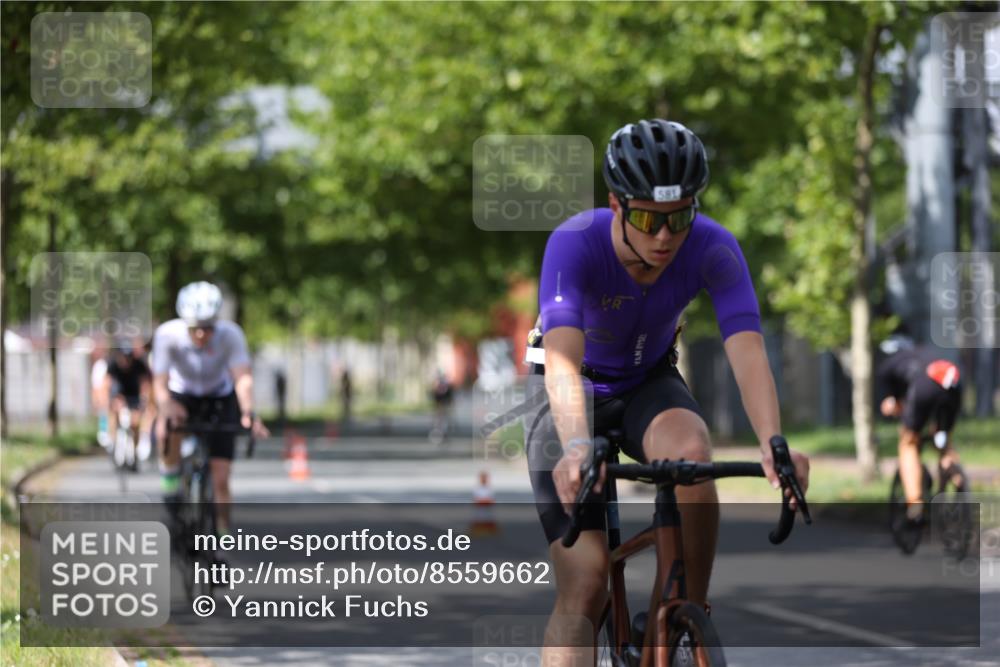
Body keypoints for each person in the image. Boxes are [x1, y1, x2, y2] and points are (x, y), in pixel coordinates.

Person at [525, 119, 810, 662]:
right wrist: (580, 448)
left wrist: (774, 443)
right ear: (615, 203)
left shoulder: (713, 247)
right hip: (567, 390)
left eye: (679, 217)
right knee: (584, 583)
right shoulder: (575, 244)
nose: (664, 237)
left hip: (646, 381)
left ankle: (677, 621)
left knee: (694, 456)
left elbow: (746, 348)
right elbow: (563, 360)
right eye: (647, 219)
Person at [152, 281, 269, 536]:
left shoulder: (231, 334)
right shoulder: (167, 335)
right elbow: (159, 384)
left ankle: (222, 535)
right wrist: (165, 408)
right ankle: (171, 483)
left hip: (219, 396)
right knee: (168, 428)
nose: (202, 335)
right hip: (181, 394)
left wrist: (248, 411)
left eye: (208, 328)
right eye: (195, 329)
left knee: (221, 478)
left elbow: (242, 378)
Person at [877, 336, 964, 523]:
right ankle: (956, 476)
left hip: (925, 387)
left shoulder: (888, 366)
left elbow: (889, 404)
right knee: (942, 438)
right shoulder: (923, 353)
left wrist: (894, 408)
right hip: (953, 382)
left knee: (908, 442)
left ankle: (915, 502)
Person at [106, 342, 153, 462]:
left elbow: (145, 385)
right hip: (118, 396)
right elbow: (108, 384)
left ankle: (135, 451)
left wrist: (144, 402)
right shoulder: (113, 366)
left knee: (135, 423)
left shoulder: (139, 365)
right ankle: (113, 440)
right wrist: (111, 400)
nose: (126, 360)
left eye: (128, 357)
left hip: (134, 397)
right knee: (114, 414)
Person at [429, 370, 454, 444]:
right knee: (438, 418)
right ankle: (438, 432)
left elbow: (449, 396)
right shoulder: (436, 386)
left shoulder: (448, 387)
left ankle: (444, 431)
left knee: (444, 418)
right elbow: (435, 396)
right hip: (439, 405)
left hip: (444, 404)